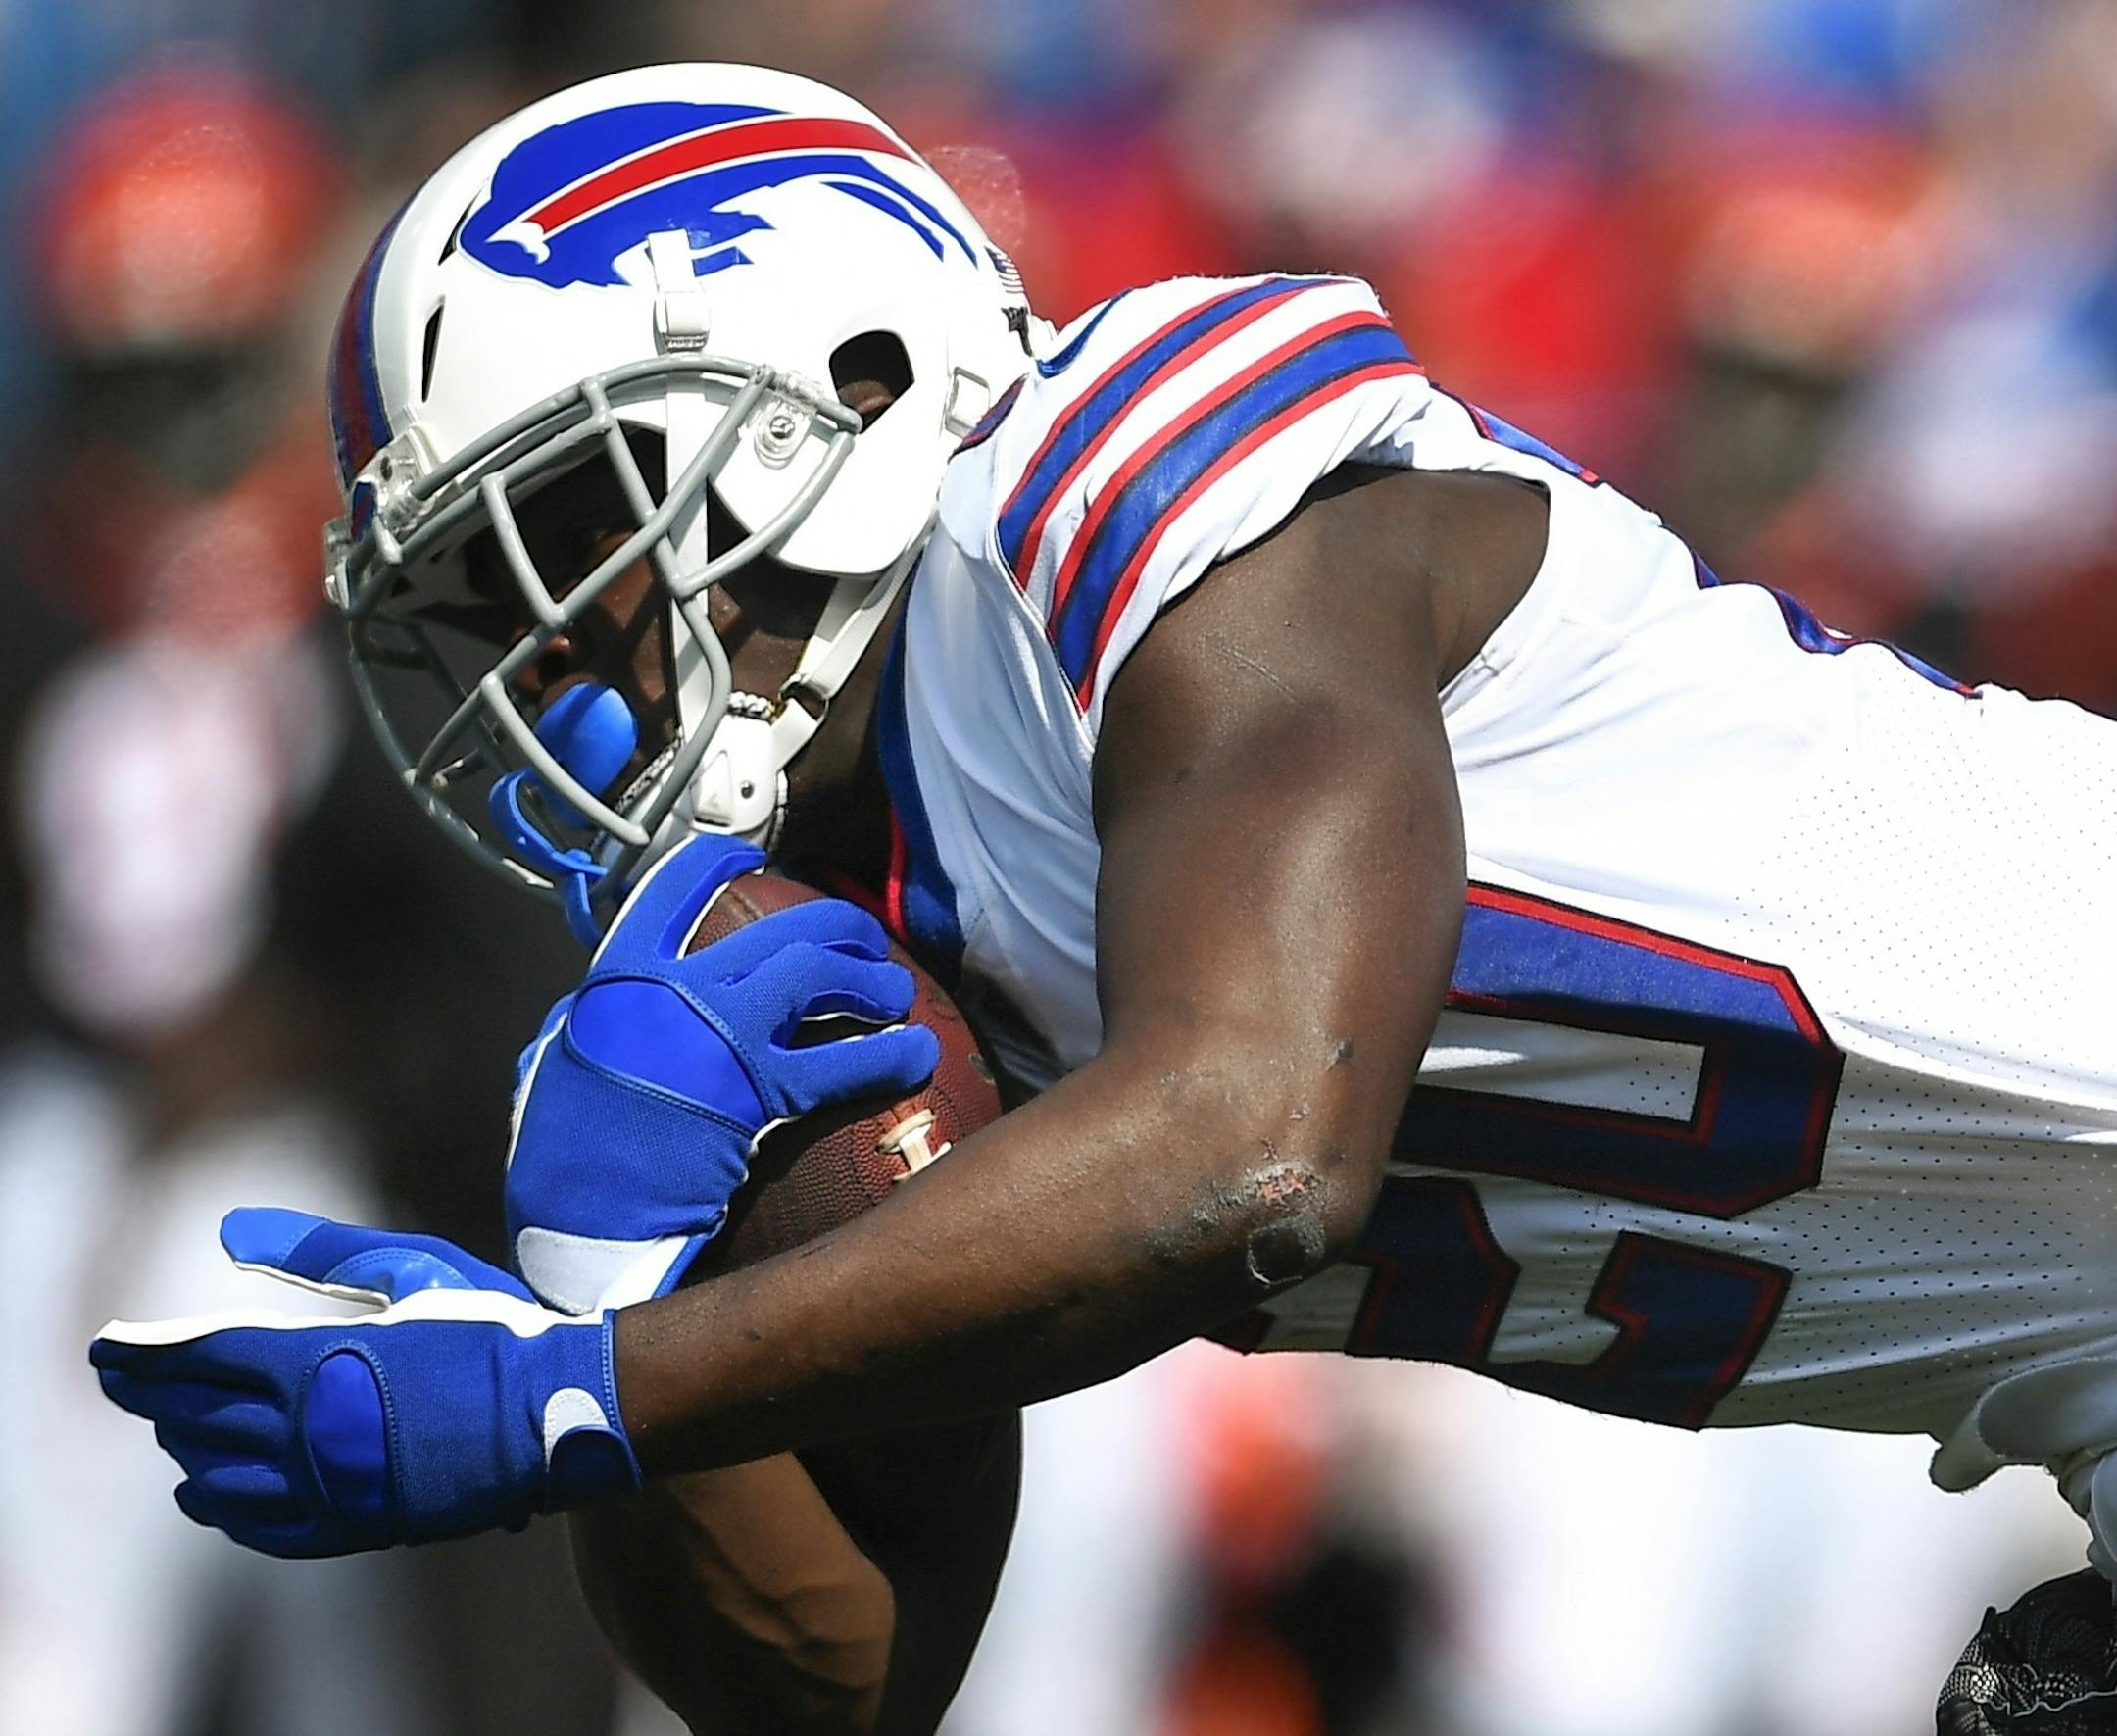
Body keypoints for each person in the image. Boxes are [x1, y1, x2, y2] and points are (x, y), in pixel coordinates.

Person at [91, 62, 2117, 1735]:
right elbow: (842, 1684)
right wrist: (607, 1282)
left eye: (574, 529)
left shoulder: (1115, 475)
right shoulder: (837, 942)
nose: (569, 661)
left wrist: (577, 1394)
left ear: (852, 373)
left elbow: (1251, 1153)